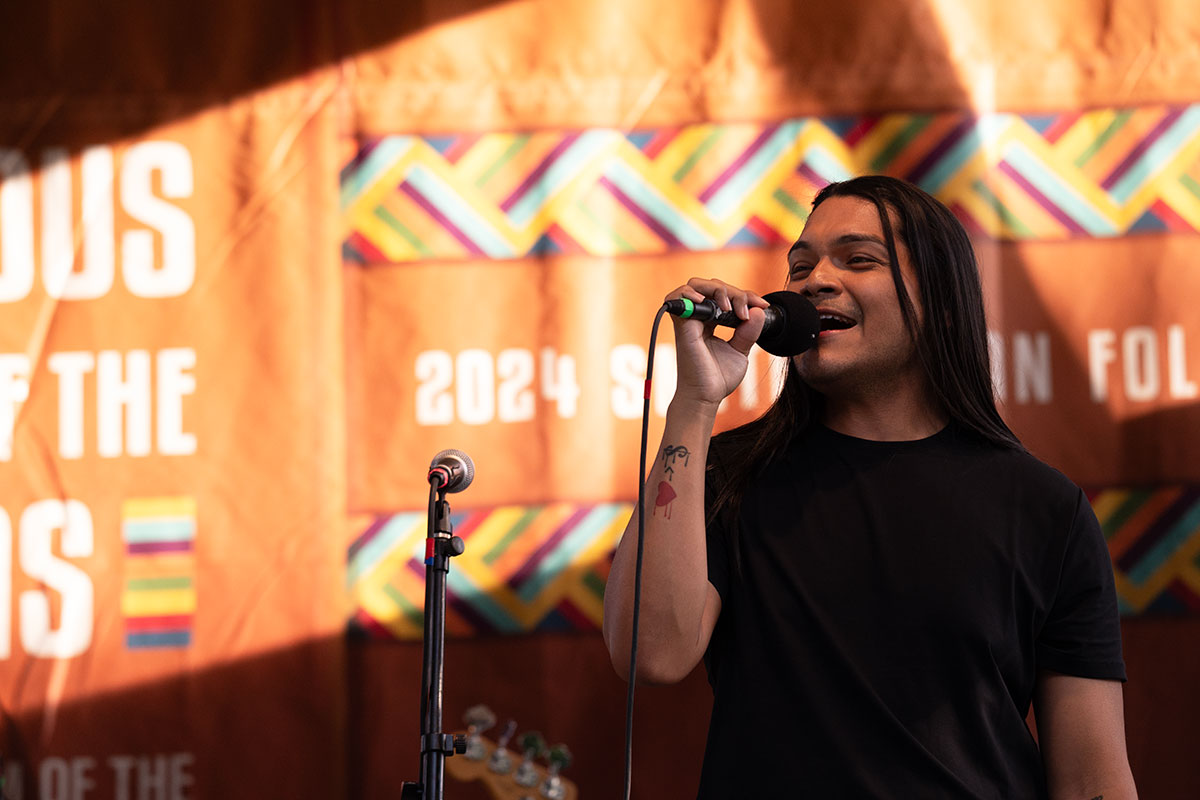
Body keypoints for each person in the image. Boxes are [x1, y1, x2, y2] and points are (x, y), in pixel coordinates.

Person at [602, 175, 1137, 798]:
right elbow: (648, 655)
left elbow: (1092, 775)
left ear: (939, 301)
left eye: (858, 259)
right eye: (800, 266)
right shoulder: (728, 473)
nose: (814, 280)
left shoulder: (1045, 508)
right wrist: (693, 403)